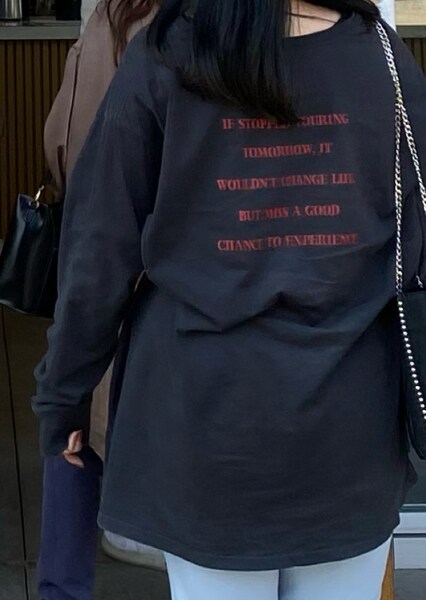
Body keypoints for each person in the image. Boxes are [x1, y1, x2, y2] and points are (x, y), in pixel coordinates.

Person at [33, 0, 426, 598]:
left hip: (205, 425)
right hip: (349, 427)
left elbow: (98, 255)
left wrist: (63, 395)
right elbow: (417, 250)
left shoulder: (167, 54)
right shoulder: (382, 57)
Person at [38, 2, 161, 599]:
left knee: (72, 418)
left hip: (98, 257)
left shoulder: (109, 19)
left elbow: (60, 141)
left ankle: (62, 587)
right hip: (169, 275)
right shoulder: (211, 27)